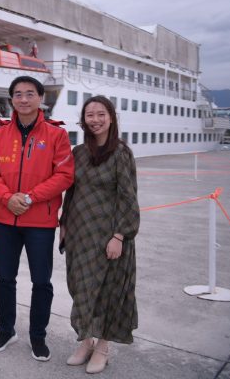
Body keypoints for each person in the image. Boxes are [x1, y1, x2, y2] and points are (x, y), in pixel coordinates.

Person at [0, 75, 74, 361]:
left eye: (30, 93)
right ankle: (6, 329)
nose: (24, 99)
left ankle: (38, 336)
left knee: (41, 281)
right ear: (11, 99)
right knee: (4, 278)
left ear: (40, 98)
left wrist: (30, 197)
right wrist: (7, 198)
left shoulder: (56, 135)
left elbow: (64, 175)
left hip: (40, 222)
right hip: (6, 219)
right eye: (18, 94)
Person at [59, 95, 139, 374]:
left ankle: (103, 347)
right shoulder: (79, 152)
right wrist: (64, 224)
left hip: (108, 235)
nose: (95, 120)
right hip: (80, 232)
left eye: (100, 114)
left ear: (111, 117)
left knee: (107, 291)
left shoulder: (121, 153)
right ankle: (86, 341)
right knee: (81, 288)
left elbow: (128, 198)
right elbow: (71, 191)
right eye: (89, 115)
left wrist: (119, 235)